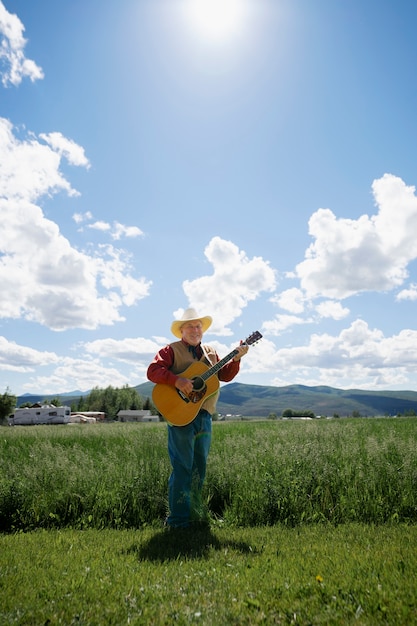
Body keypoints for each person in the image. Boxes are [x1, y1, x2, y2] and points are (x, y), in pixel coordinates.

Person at [147, 308, 249, 529]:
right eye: (190, 326)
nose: (195, 329)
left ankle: (195, 515)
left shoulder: (211, 352)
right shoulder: (170, 350)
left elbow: (225, 375)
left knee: (199, 469)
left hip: (203, 416)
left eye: (198, 326)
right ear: (181, 330)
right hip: (180, 416)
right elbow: (153, 371)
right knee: (182, 467)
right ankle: (177, 521)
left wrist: (237, 359)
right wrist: (176, 381)